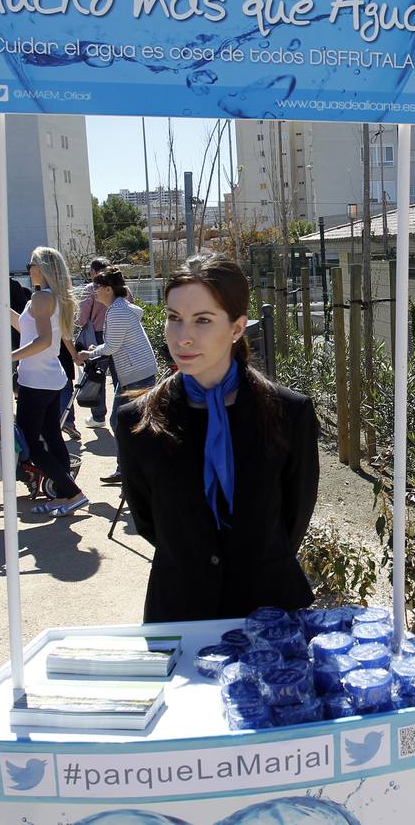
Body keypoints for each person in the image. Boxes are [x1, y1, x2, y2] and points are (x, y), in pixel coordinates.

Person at [117, 253, 320, 623]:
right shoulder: (139, 421)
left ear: (237, 328)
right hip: (179, 610)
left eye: (203, 320)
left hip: (269, 611)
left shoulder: (289, 413)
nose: (183, 336)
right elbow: (148, 522)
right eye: (174, 318)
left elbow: (294, 515)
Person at [0, 247, 87, 517]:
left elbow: (41, 341)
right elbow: (25, 327)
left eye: (31, 263)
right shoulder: (46, 297)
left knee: (28, 442)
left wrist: (6, 357)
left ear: (42, 267)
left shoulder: (42, 297)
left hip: (38, 380)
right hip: (49, 378)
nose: (28, 268)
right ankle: (66, 494)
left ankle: (72, 493)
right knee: (52, 436)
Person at [76, 265, 155, 485]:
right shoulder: (120, 307)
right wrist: (96, 350)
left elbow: (111, 347)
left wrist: (88, 354)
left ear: (109, 289)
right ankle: (131, 469)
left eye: (98, 286)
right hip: (136, 372)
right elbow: (113, 345)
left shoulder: (118, 310)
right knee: (131, 422)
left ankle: (131, 470)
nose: (94, 290)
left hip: (136, 374)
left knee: (121, 421)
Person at [75, 257, 112, 427]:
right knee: (121, 377)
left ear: (93, 272)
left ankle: (98, 416)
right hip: (119, 334)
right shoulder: (122, 288)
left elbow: (81, 319)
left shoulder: (91, 289)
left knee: (97, 377)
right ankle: (121, 413)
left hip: (96, 337)